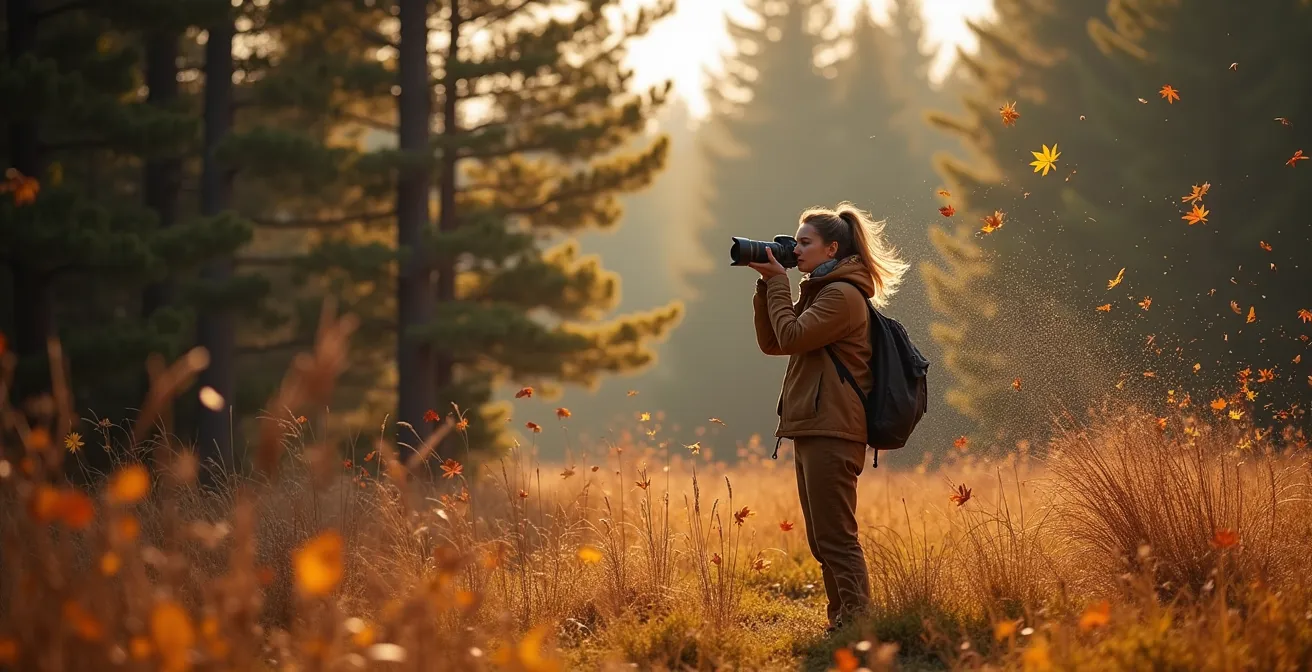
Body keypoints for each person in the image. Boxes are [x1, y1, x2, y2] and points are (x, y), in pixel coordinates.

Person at [746, 201, 909, 631]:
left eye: (805, 242)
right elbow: (774, 343)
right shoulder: (822, 291)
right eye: (794, 241)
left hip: (833, 428)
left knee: (837, 538)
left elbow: (792, 335)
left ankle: (856, 624)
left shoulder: (842, 295)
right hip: (814, 426)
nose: (795, 250)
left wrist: (780, 283)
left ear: (831, 248)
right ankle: (842, 621)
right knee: (822, 540)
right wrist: (768, 288)